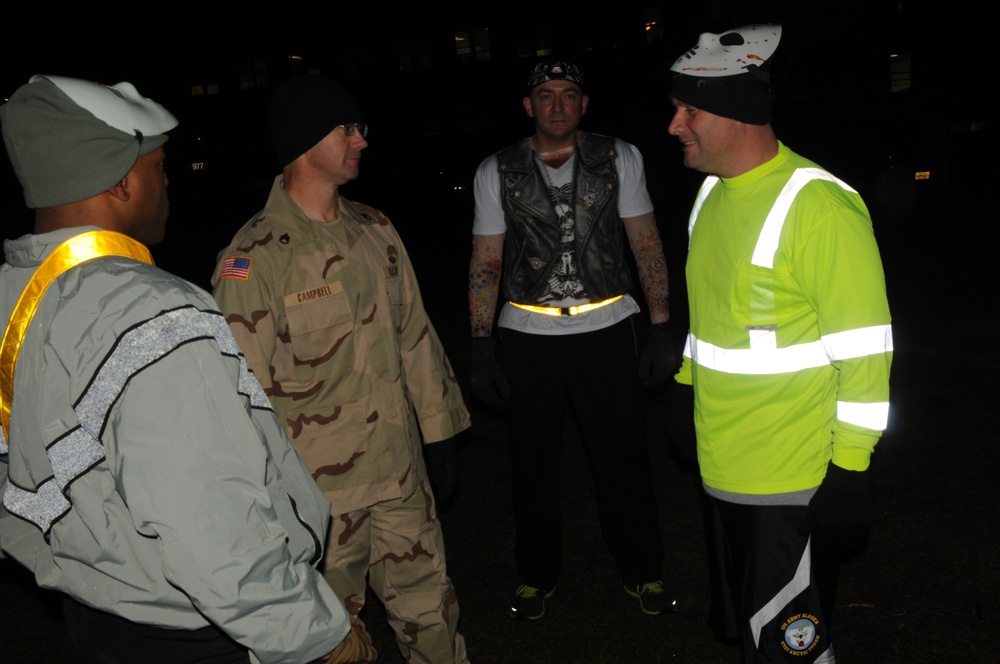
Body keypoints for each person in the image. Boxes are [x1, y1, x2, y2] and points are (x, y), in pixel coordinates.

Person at [0, 75, 379, 664]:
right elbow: (213, 526)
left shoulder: (13, 301)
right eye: (159, 167)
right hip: (196, 631)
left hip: (95, 615)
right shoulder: (149, 314)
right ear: (123, 183)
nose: (169, 181)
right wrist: (315, 636)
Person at [211, 75, 471, 664]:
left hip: (401, 481)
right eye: (346, 128)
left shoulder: (375, 230)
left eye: (360, 127)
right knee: (330, 645)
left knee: (434, 621)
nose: (361, 140)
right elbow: (238, 394)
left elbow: (415, 338)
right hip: (321, 504)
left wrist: (439, 433)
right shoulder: (254, 260)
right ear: (305, 141)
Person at [665, 24, 893, 662]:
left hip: (788, 486)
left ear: (737, 113)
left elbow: (867, 356)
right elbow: (713, 321)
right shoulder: (710, 194)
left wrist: (849, 473)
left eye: (689, 109)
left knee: (788, 650)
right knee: (748, 638)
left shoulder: (819, 208)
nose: (675, 124)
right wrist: (685, 392)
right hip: (723, 470)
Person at [467, 60, 678, 620]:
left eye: (568, 95)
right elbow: (486, 261)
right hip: (529, 332)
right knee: (531, 461)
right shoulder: (499, 169)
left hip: (607, 328)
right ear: (528, 105)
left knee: (624, 456)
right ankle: (537, 575)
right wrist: (482, 344)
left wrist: (660, 326)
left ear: (584, 104)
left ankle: (643, 570)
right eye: (545, 95)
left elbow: (647, 243)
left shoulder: (618, 156)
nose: (557, 105)